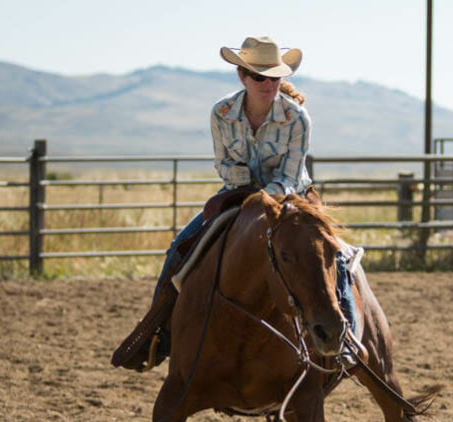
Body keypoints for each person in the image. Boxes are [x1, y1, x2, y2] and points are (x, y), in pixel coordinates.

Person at [112, 36, 313, 371]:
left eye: (275, 77)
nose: (268, 84)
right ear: (243, 77)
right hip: (237, 192)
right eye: (259, 77)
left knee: (333, 255)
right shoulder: (222, 113)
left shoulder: (297, 118)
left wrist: (263, 202)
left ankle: (345, 336)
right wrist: (246, 194)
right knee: (180, 248)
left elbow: (291, 174)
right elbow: (224, 163)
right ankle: (157, 334)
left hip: (289, 198)